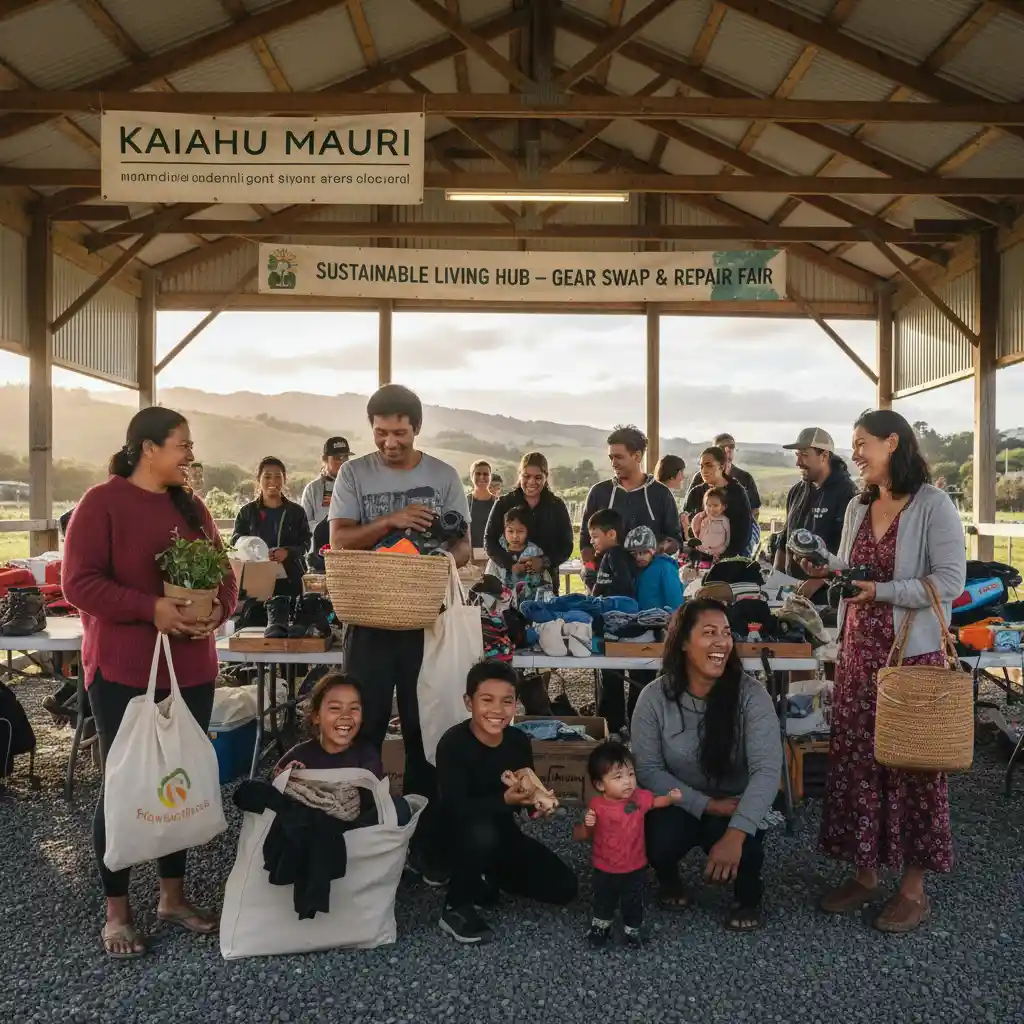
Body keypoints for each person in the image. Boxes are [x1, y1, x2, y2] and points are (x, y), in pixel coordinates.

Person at [62, 407, 238, 959]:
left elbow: (224, 576)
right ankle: (117, 911)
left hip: (192, 669)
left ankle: (172, 899)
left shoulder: (194, 508)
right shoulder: (101, 504)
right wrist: (150, 608)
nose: (190, 454)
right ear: (147, 448)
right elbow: (78, 584)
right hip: (123, 671)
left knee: (176, 779)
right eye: (182, 445)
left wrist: (218, 612)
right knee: (125, 783)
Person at [803, 410, 965, 934]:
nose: (855, 453)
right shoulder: (857, 505)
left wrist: (883, 592)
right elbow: (856, 572)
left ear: (893, 442)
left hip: (911, 656)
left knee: (914, 765)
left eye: (861, 443)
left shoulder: (933, 504)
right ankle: (866, 872)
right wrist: (830, 569)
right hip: (857, 656)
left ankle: (913, 889)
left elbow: (950, 581)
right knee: (857, 767)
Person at [329, 384, 470, 886]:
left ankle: (425, 844)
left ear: (417, 428)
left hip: (423, 623)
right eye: (381, 432)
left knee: (423, 732)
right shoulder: (353, 473)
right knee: (361, 728)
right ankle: (362, 836)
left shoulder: (444, 476)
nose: (390, 441)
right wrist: (393, 519)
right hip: (367, 621)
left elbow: (464, 550)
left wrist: (435, 562)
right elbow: (339, 540)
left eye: (400, 432)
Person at [631, 599, 783, 932]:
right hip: (679, 799)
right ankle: (668, 878)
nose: (721, 642)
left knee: (747, 843)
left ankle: (747, 896)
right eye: (709, 632)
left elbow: (768, 771)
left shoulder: (751, 696)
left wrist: (736, 834)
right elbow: (648, 770)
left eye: (727, 633)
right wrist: (704, 805)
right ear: (684, 642)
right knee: (657, 838)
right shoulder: (654, 698)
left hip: (733, 803)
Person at [435, 661, 577, 944]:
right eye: (487, 700)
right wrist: (503, 799)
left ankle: (486, 877)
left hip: (503, 834)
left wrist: (537, 804)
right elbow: (454, 809)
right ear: (469, 702)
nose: (497, 711)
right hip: (457, 836)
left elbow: (522, 795)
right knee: (481, 833)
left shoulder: (517, 741)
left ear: (516, 705)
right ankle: (455, 905)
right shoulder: (453, 744)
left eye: (507, 701)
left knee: (565, 888)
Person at [576, 741, 681, 948]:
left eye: (631, 774)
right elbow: (584, 834)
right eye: (618, 777)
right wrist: (588, 825)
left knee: (633, 899)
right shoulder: (597, 805)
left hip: (635, 865)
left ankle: (633, 928)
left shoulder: (639, 798)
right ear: (599, 784)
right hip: (604, 866)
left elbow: (656, 801)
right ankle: (601, 926)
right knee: (603, 898)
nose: (628, 782)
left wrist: (670, 798)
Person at [275, 673, 411, 825]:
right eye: (335, 708)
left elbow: (373, 806)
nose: (345, 716)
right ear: (316, 716)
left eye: (354, 708)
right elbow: (277, 790)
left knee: (400, 807)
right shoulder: (299, 755)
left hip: (352, 834)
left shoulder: (366, 755)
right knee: (253, 790)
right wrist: (289, 776)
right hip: (310, 831)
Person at [579, 426, 683, 570]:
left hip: (648, 582)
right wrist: (592, 574)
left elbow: (675, 540)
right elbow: (585, 541)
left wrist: (655, 550)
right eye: (611, 457)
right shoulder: (599, 492)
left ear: (638, 456)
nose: (613, 463)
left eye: (619, 457)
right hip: (608, 585)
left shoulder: (661, 494)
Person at [774, 427, 858, 583]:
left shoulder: (848, 495)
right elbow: (785, 538)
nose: (798, 462)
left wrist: (821, 582)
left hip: (827, 597)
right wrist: (775, 578)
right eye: (798, 455)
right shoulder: (796, 491)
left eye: (805, 455)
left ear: (824, 456)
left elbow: (851, 556)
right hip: (791, 589)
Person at [484, 453, 574, 595]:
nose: (531, 482)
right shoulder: (504, 503)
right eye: (526, 476)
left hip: (545, 587)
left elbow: (566, 546)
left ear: (546, 477)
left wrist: (544, 562)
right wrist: (510, 564)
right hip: (504, 587)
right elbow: (489, 541)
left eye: (538, 477)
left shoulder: (556, 506)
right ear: (520, 475)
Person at [231, 457, 310, 599]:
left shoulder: (296, 512)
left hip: (290, 579)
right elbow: (235, 542)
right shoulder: (247, 512)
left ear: (284, 479)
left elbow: (305, 543)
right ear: (258, 479)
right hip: (255, 579)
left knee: (288, 616)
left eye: (278, 477)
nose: (273, 481)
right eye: (267, 476)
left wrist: (288, 552)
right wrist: (255, 551)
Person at [683, 447, 753, 558]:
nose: (704, 470)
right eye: (701, 466)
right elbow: (685, 524)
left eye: (709, 465)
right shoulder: (696, 492)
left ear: (721, 466)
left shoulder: (737, 492)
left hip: (729, 557)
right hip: (699, 555)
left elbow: (744, 530)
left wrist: (726, 555)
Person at [484, 505, 551, 603]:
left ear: (528, 531)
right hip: (503, 607)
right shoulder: (497, 553)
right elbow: (489, 581)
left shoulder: (536, 553)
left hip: (531, 605)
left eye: (520, 531)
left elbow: (545, 582)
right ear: (504, 530)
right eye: (510, 531)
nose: (515, 536)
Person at [688, 432, 760, 523]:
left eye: (731, 447)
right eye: (722, 447)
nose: (727, 450)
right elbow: (687, 510)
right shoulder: (700, 477)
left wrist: (748, 531)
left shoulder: (745, 478)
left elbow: (755, 510)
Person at [625, 525, 683, 611]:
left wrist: (674, 619)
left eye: (644, 552)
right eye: (634, 554)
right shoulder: (636, 570)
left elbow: (675, 600)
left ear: (653, 550)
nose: (639, 558)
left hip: (663, 621)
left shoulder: (665, 568)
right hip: (642, 619)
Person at [300, 437, 351, 533]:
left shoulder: (356, 486)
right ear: (325, 460)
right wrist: (326, 529)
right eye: (337, 458)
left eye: (345, 457)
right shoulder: (312, 489)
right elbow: (304, 524)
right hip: (321, 546)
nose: (342, 462)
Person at [588, 509, 636, 599]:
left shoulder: (614, 555)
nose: (591, 541)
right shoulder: (606, 555)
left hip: (614, 606)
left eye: (595, 537)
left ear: (611, 535)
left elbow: (624, 584)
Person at [655, 453, 689, 538]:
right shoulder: (664, 494)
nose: (683, 477)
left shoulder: (658, 491)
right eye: (681, 472)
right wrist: (683, 525)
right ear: (672, 474)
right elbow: (671, 530)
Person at [467, 459, 496, 555]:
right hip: (469, 556)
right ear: (472, 476)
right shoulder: (464, 502)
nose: (482, 477)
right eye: (478, 474)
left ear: (490, 477)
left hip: (493, 556)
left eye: (486, 474)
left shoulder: (499, 503)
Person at [692, 487, 731, 558]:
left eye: (715, 506)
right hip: (702, 553)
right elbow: (699, 535)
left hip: (717, 555)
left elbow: (727, 540)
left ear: (723, 507)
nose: (711, 509)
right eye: (708, 505)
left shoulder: (725, 521)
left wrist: (720, 552)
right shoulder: (704, 520)